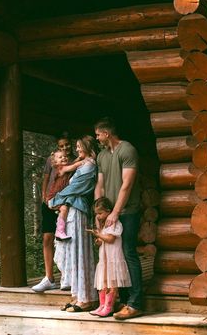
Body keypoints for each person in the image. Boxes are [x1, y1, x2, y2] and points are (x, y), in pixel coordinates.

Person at [94, 117, 143, 319]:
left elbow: (127, 185)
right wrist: (99, 214)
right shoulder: (102, 156)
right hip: (108, 214)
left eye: (98, 134)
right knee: (110, 257)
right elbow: (100, 186)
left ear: (107, 133)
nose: (96, 138)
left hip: (127, 211)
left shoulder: (127, 150)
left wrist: (115, 212)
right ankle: (118, 301)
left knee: (128, 253)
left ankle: (135, 303)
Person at [50, 135, 98, 312]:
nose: (76, 150)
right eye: (76, 146)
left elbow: (77, 187)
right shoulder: (83, 163)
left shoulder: (90, 165)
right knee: (73, 252)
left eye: (79, 147)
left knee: (80, 252)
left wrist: (56, 198)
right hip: (72, 209)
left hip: (79, 210)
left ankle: (87, 298)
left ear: (87, 147)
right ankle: (77, 295)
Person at [31, 135, 74, 292]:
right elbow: (46, 178)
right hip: (49, 202)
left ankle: (66, 276)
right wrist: (44, 195)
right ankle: (49, 277)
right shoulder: (51, 159)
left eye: (67, 145)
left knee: (65, 240)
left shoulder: (74, 161)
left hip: (64, 204)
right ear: (57, 146)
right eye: (61, 145)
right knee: (47, 238)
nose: (64, 148)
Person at [88, 197, 130, 318]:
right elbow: (102, 242)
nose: (98, 216)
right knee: (103, 282)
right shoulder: (103, 226)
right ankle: (102, 305)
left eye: (100, 213)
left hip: (113, 258)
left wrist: (98, 234)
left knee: (112, 282)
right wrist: (98, 239)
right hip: (104, 259)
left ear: (108, 210)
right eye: (96, 214)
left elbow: (111, 239)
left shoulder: (114, 223)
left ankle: (109, 306)